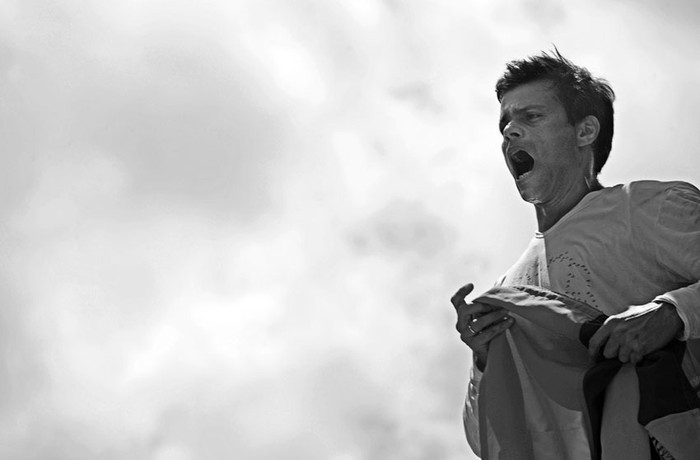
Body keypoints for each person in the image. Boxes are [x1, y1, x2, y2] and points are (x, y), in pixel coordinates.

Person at [451, 50, 700, 459]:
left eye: (531, 117)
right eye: (506, 124)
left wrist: (672, 313)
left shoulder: (644, 206)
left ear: (585, 132)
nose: (510, 132)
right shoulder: (508, 291)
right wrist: (483, 362)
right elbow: (488, 443)